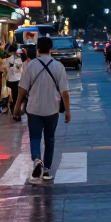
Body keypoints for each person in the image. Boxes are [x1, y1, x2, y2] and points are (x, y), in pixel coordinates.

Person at [13, 37, 71, 185]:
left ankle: (37, 159)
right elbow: (65, 92)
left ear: (37, 49)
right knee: (50, 138)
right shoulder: (59, 66)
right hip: (52, 108)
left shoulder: (31, 66)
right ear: (51, 48)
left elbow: (22, 89)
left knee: (35, 137)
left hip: (33, 108)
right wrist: (68, 111)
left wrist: (17, 106)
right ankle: (46, 171)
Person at [5, 45, 26, 121]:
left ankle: (15, 113)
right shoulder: (19, 59)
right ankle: (18, 113)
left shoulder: (8, 59)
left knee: (12, 99)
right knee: (17, 99)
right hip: (18, 81)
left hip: (10, 81)